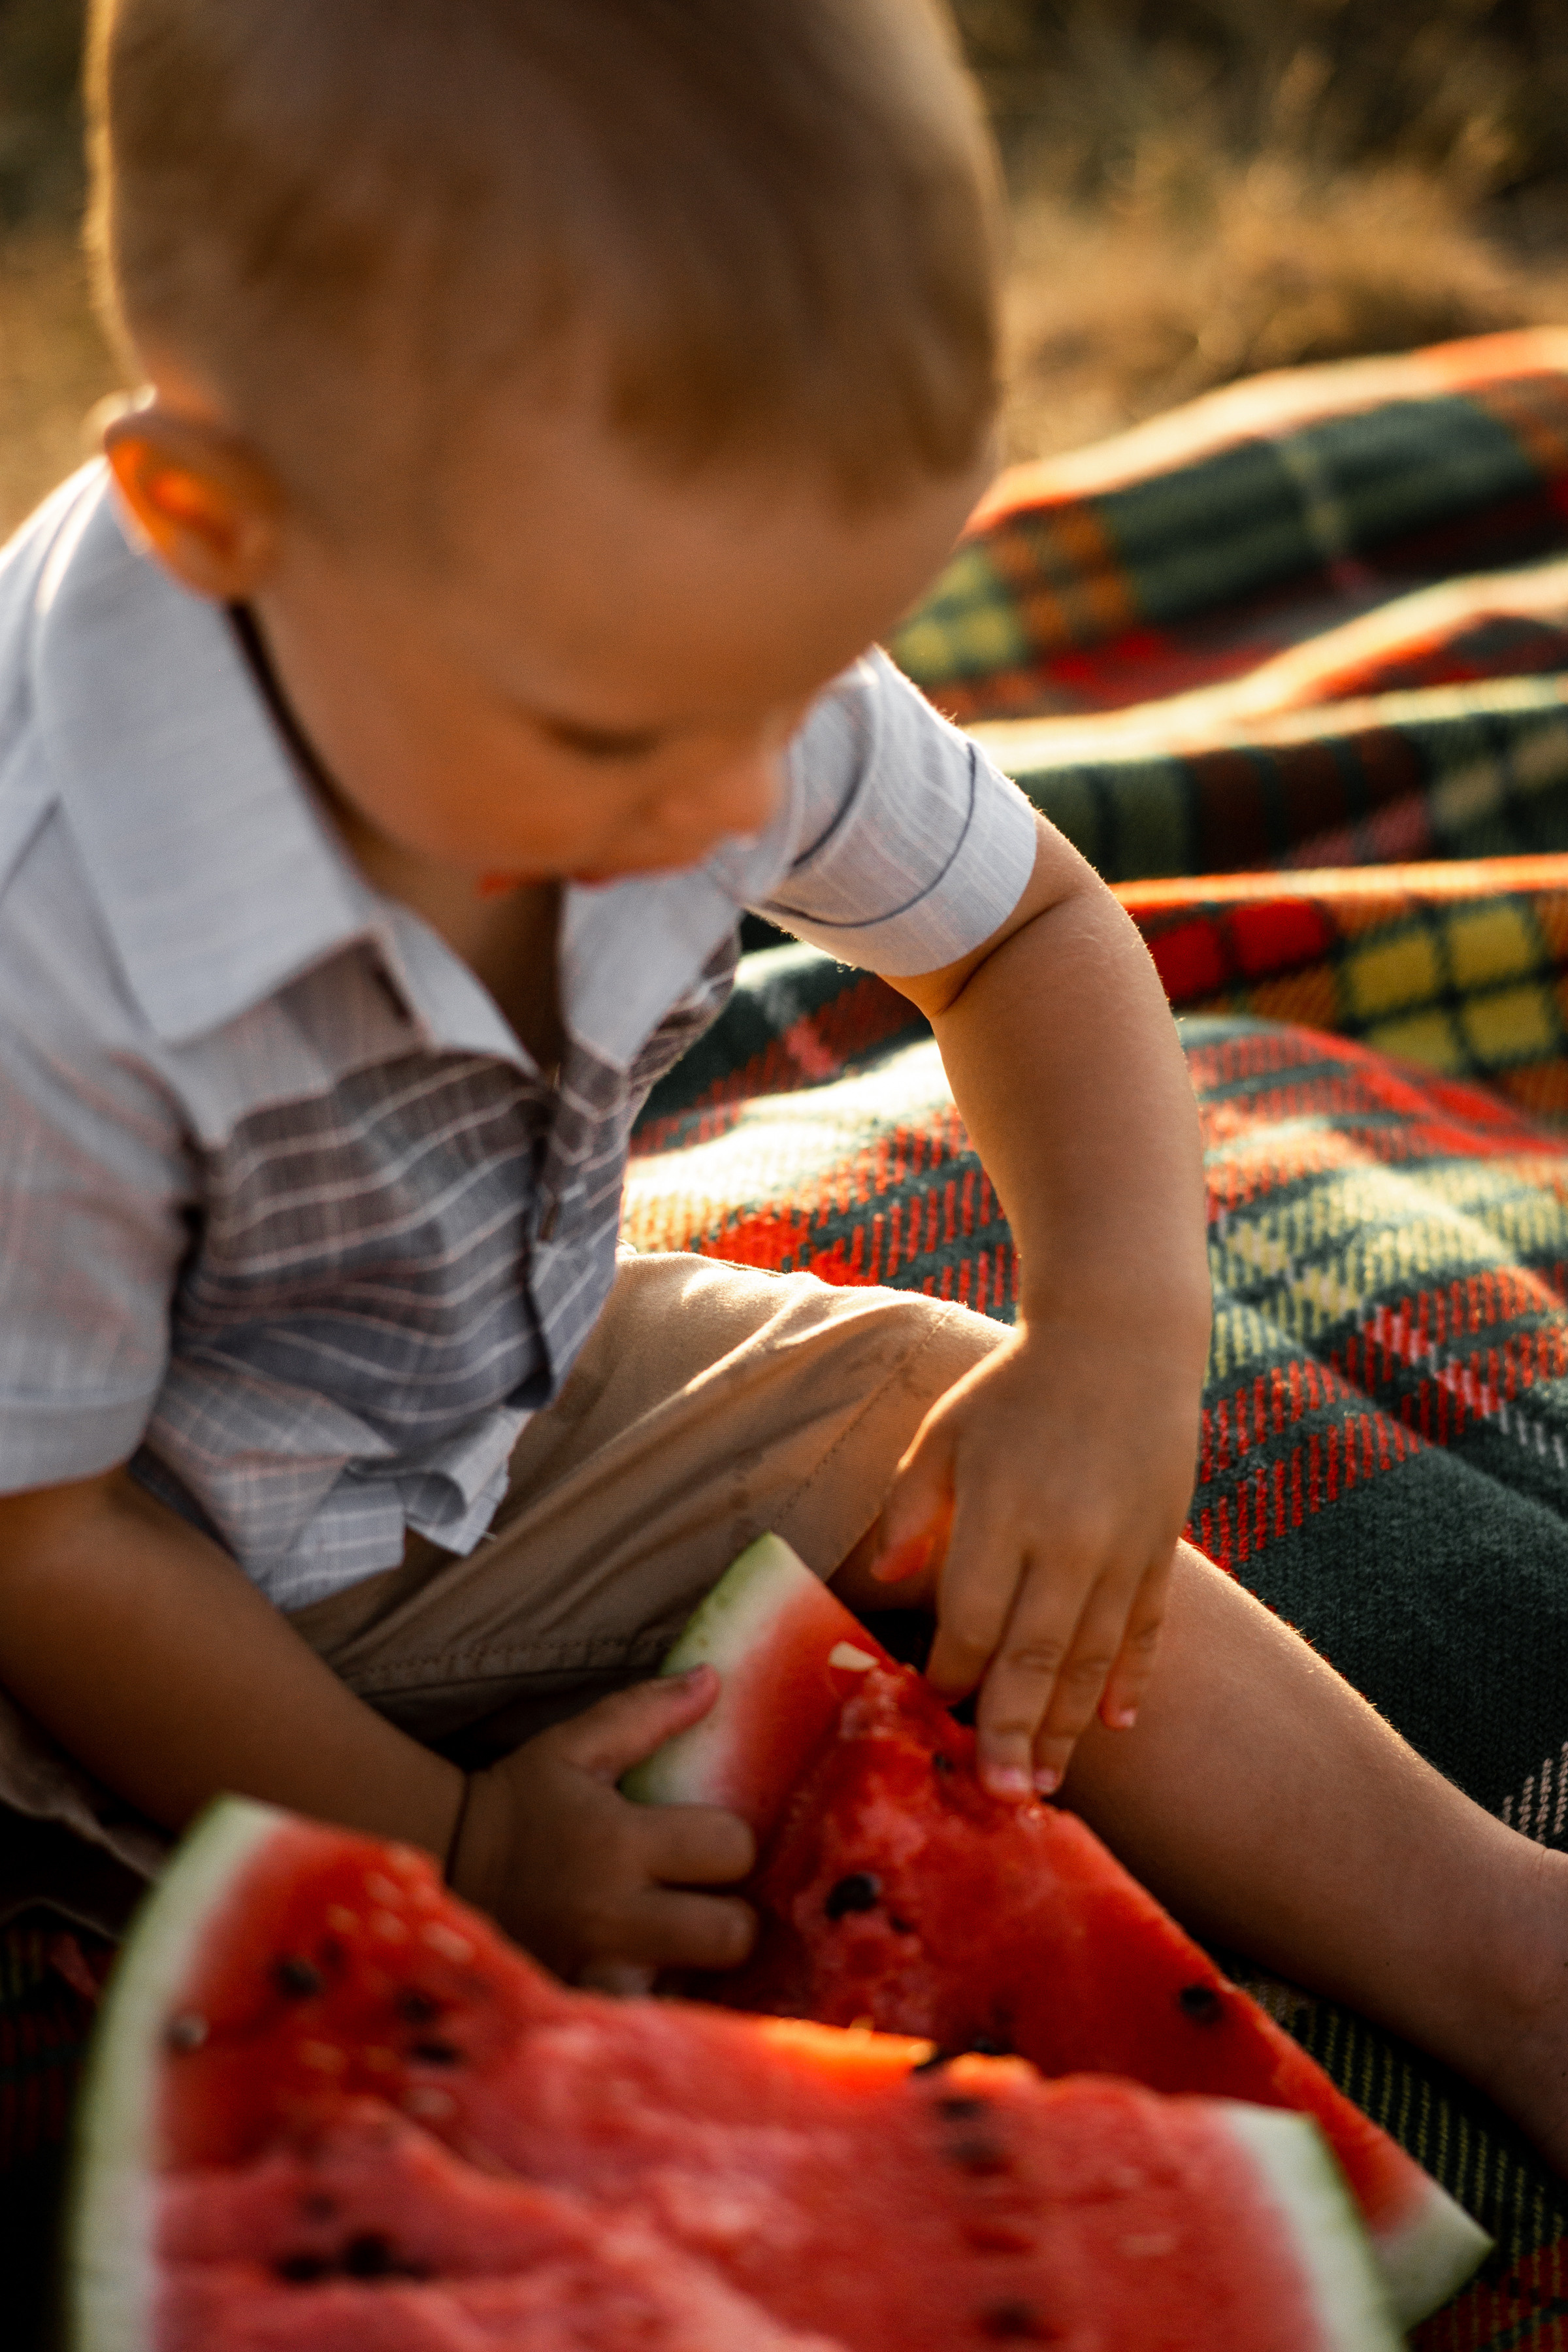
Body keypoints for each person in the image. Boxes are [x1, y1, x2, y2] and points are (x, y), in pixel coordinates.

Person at [1, 0, 1564, 2174]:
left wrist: (1116, 1338)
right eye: (627, 735)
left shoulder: (671, 620)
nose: (741, 802)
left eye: (797, 677)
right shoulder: (48, 945)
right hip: (93, 1563)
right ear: (215, 524)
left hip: (476, 1401)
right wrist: (441, 1841)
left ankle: (1513, 1950)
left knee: (938, 1417)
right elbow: (49, 1542)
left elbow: (1032, 936)